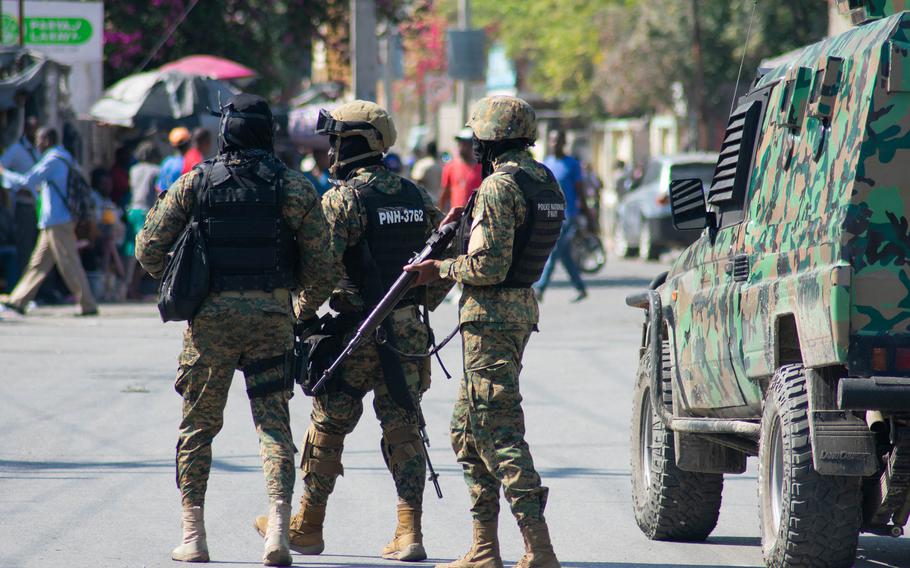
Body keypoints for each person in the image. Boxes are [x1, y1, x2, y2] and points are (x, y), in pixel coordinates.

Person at [135, 94, 334, 566]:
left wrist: (185, 278)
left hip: (211, 324)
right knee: (273, 426)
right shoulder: (294, 187)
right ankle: (278, 534)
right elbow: (322, 267)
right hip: (272, 320)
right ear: (269, 133)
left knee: (199, 427)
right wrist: (297, 308)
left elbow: (147, 250)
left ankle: (194, 536)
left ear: (225, 133)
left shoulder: (196, 182)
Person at [252, 100, 451, 563]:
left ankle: (308, 526)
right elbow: (442, 267)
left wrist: (299, 316)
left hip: (355, 334)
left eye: (336, 140)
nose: (331, 149)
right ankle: (410, 532)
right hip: (406, 334)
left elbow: (320, 272)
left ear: (354, 142)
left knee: (326, 426)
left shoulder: (343, 200)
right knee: (404, 428)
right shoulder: (416, 196)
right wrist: (412, 310)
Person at [405, 95, 563, 568]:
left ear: (491, 138)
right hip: (514, 313)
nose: (474, 144)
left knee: (498, 432)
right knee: (466, 430)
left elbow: (488, 265)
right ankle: (484, 548)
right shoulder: (543, 180)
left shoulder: (499, 186)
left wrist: (439, 269)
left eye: (478, 136)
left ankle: (540, 547)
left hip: (491, 318)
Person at [0, 127, 98, 317]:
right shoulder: (65, 157)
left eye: (39, 139)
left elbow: (27, 181)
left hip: (57, 220)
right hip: (53, 220)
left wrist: (4, 174)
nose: (37, 144)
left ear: (47, 139)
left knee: (69, 262)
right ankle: (19, 300)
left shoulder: (52, 160)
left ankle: (88, 304)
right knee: (38, 263)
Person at [533, 130, 591, 302]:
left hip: (568, 216)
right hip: (550, 214)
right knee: (564, 255)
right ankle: (580, 287)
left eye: (557, 140)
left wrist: (587, 214)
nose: (554, 144)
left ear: (563, 142)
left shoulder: (572, 164)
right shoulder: (547, 163)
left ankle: (540, 289)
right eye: (551, 140)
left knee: (554, 250)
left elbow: (580, 191)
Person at [2, 115, 40, 277]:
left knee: (38, 249)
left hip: (39, 206)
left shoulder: (39, 150)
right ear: (25, 130)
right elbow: (1, 168)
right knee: (25, 248)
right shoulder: (16, 149)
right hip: (24, 206)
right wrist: (16, 187)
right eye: (32, 129)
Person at [124, 141, 161, 299]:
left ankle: (129, 287)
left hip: (132, 210)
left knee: (131, 251)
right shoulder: (155, 170)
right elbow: (158, 191)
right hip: (146, 211)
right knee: (145, 252)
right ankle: (135, 288)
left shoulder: (133, 170)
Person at [438, 127, 482, 211]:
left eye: (465, 143)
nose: (462, 147)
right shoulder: (450, 167)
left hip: (475, 215)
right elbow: (444, 192)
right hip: (456, 217)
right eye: (460, 143)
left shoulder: (482, 167)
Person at [156, 126, 192, 193]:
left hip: (165, 201)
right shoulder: (187, 163)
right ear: (188, 143)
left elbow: (159, 187)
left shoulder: (166, 161)